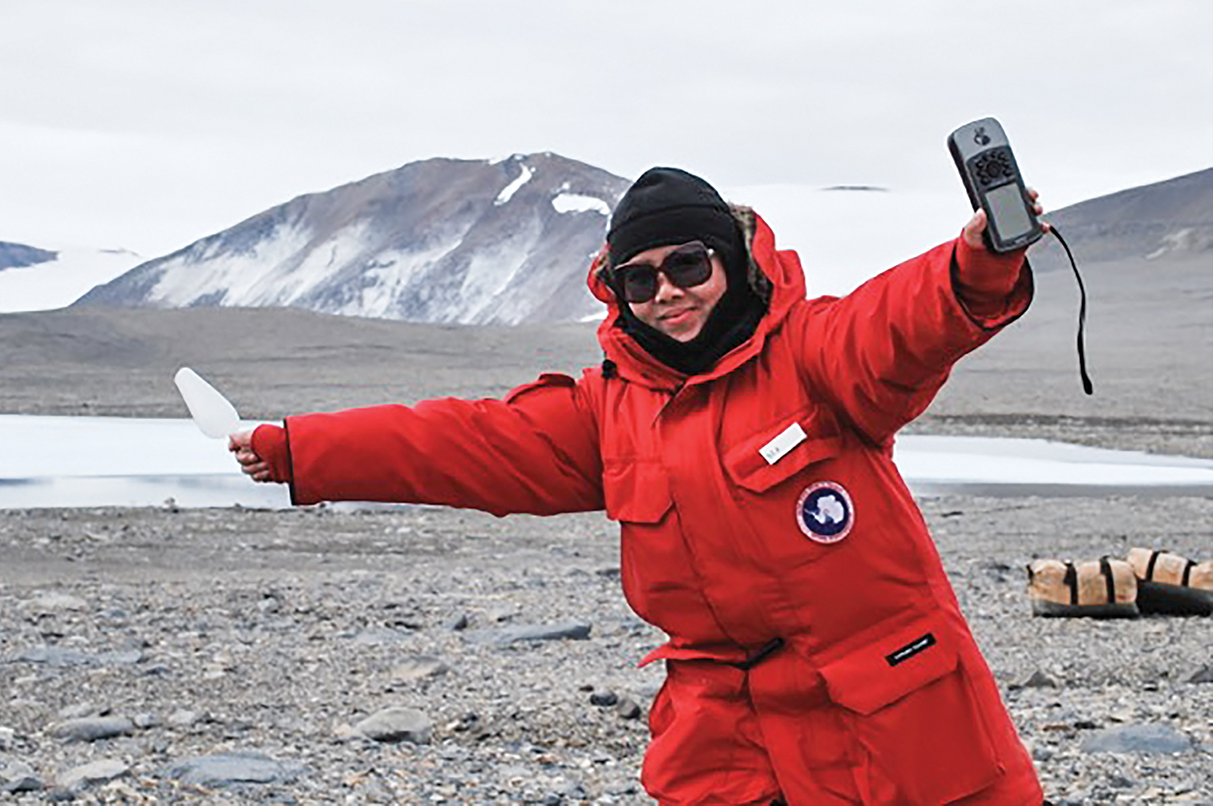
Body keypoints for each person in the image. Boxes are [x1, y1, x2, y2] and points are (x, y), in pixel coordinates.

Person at [229, 166, 1047, 805]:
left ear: (728, 259)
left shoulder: (814, 356)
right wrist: (301, 449)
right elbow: (458, 443)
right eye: (640, 279)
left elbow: (898, 324)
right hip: (728, 726)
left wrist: (975, 265)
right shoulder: (609, 409)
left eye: (688, 265)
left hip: (891, 709)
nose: (668, 293)